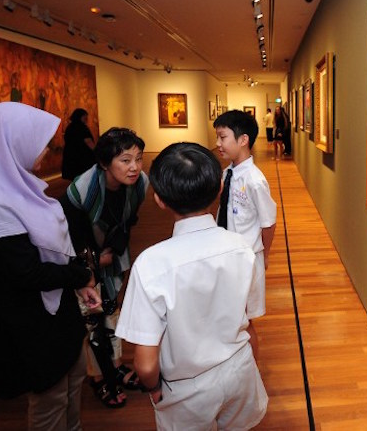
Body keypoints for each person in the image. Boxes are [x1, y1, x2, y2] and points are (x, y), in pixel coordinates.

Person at [0, 102, 100, 430]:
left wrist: (77, 279)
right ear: (10, 142)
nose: (46, 149)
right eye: (38, 141)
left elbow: (50, 251)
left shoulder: (18, 187)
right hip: (26, 314)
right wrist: (81, 274)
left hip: (54, 303)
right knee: (50, 395)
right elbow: (24, 272)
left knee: (71, 380)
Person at [115, 142, 268, 429]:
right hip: (240, 369)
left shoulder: (151, 264)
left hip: (186, 390)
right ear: (219, 190)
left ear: (159, 199)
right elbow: (248, 323)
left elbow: (146, 364)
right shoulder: (242, 248)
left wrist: (152, 389)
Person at [60, 127, 148, 408]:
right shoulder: (81, 190)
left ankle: (116, 365)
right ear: (104, 163)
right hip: (82, 257)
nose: (134, 167)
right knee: (92, 316)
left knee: (111, 308)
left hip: (112, 253)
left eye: (138, 158)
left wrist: (113, 250)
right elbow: (70, 238)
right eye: (125, 160)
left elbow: (128, 219)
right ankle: (99, 377)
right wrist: (94, 264)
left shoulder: (140, 183)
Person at [213, 110, 276, 358]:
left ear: (243, 140)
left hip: (246, 258)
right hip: (226, 253)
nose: (217, 144)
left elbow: (268, 223)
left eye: (222, 137)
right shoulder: (228, 173)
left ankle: (253, 371)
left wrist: (266, 254)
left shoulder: (254, 180)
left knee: (246, 320)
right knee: (231, 313)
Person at [61, 108, 96, 181]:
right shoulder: (82, 127)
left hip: (71, 156)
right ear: (80, 117)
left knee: (75, 178)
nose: (86, 119)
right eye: (85, 117)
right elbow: (88, 141)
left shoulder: (69, 127)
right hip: (82, 158)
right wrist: (97, 151)